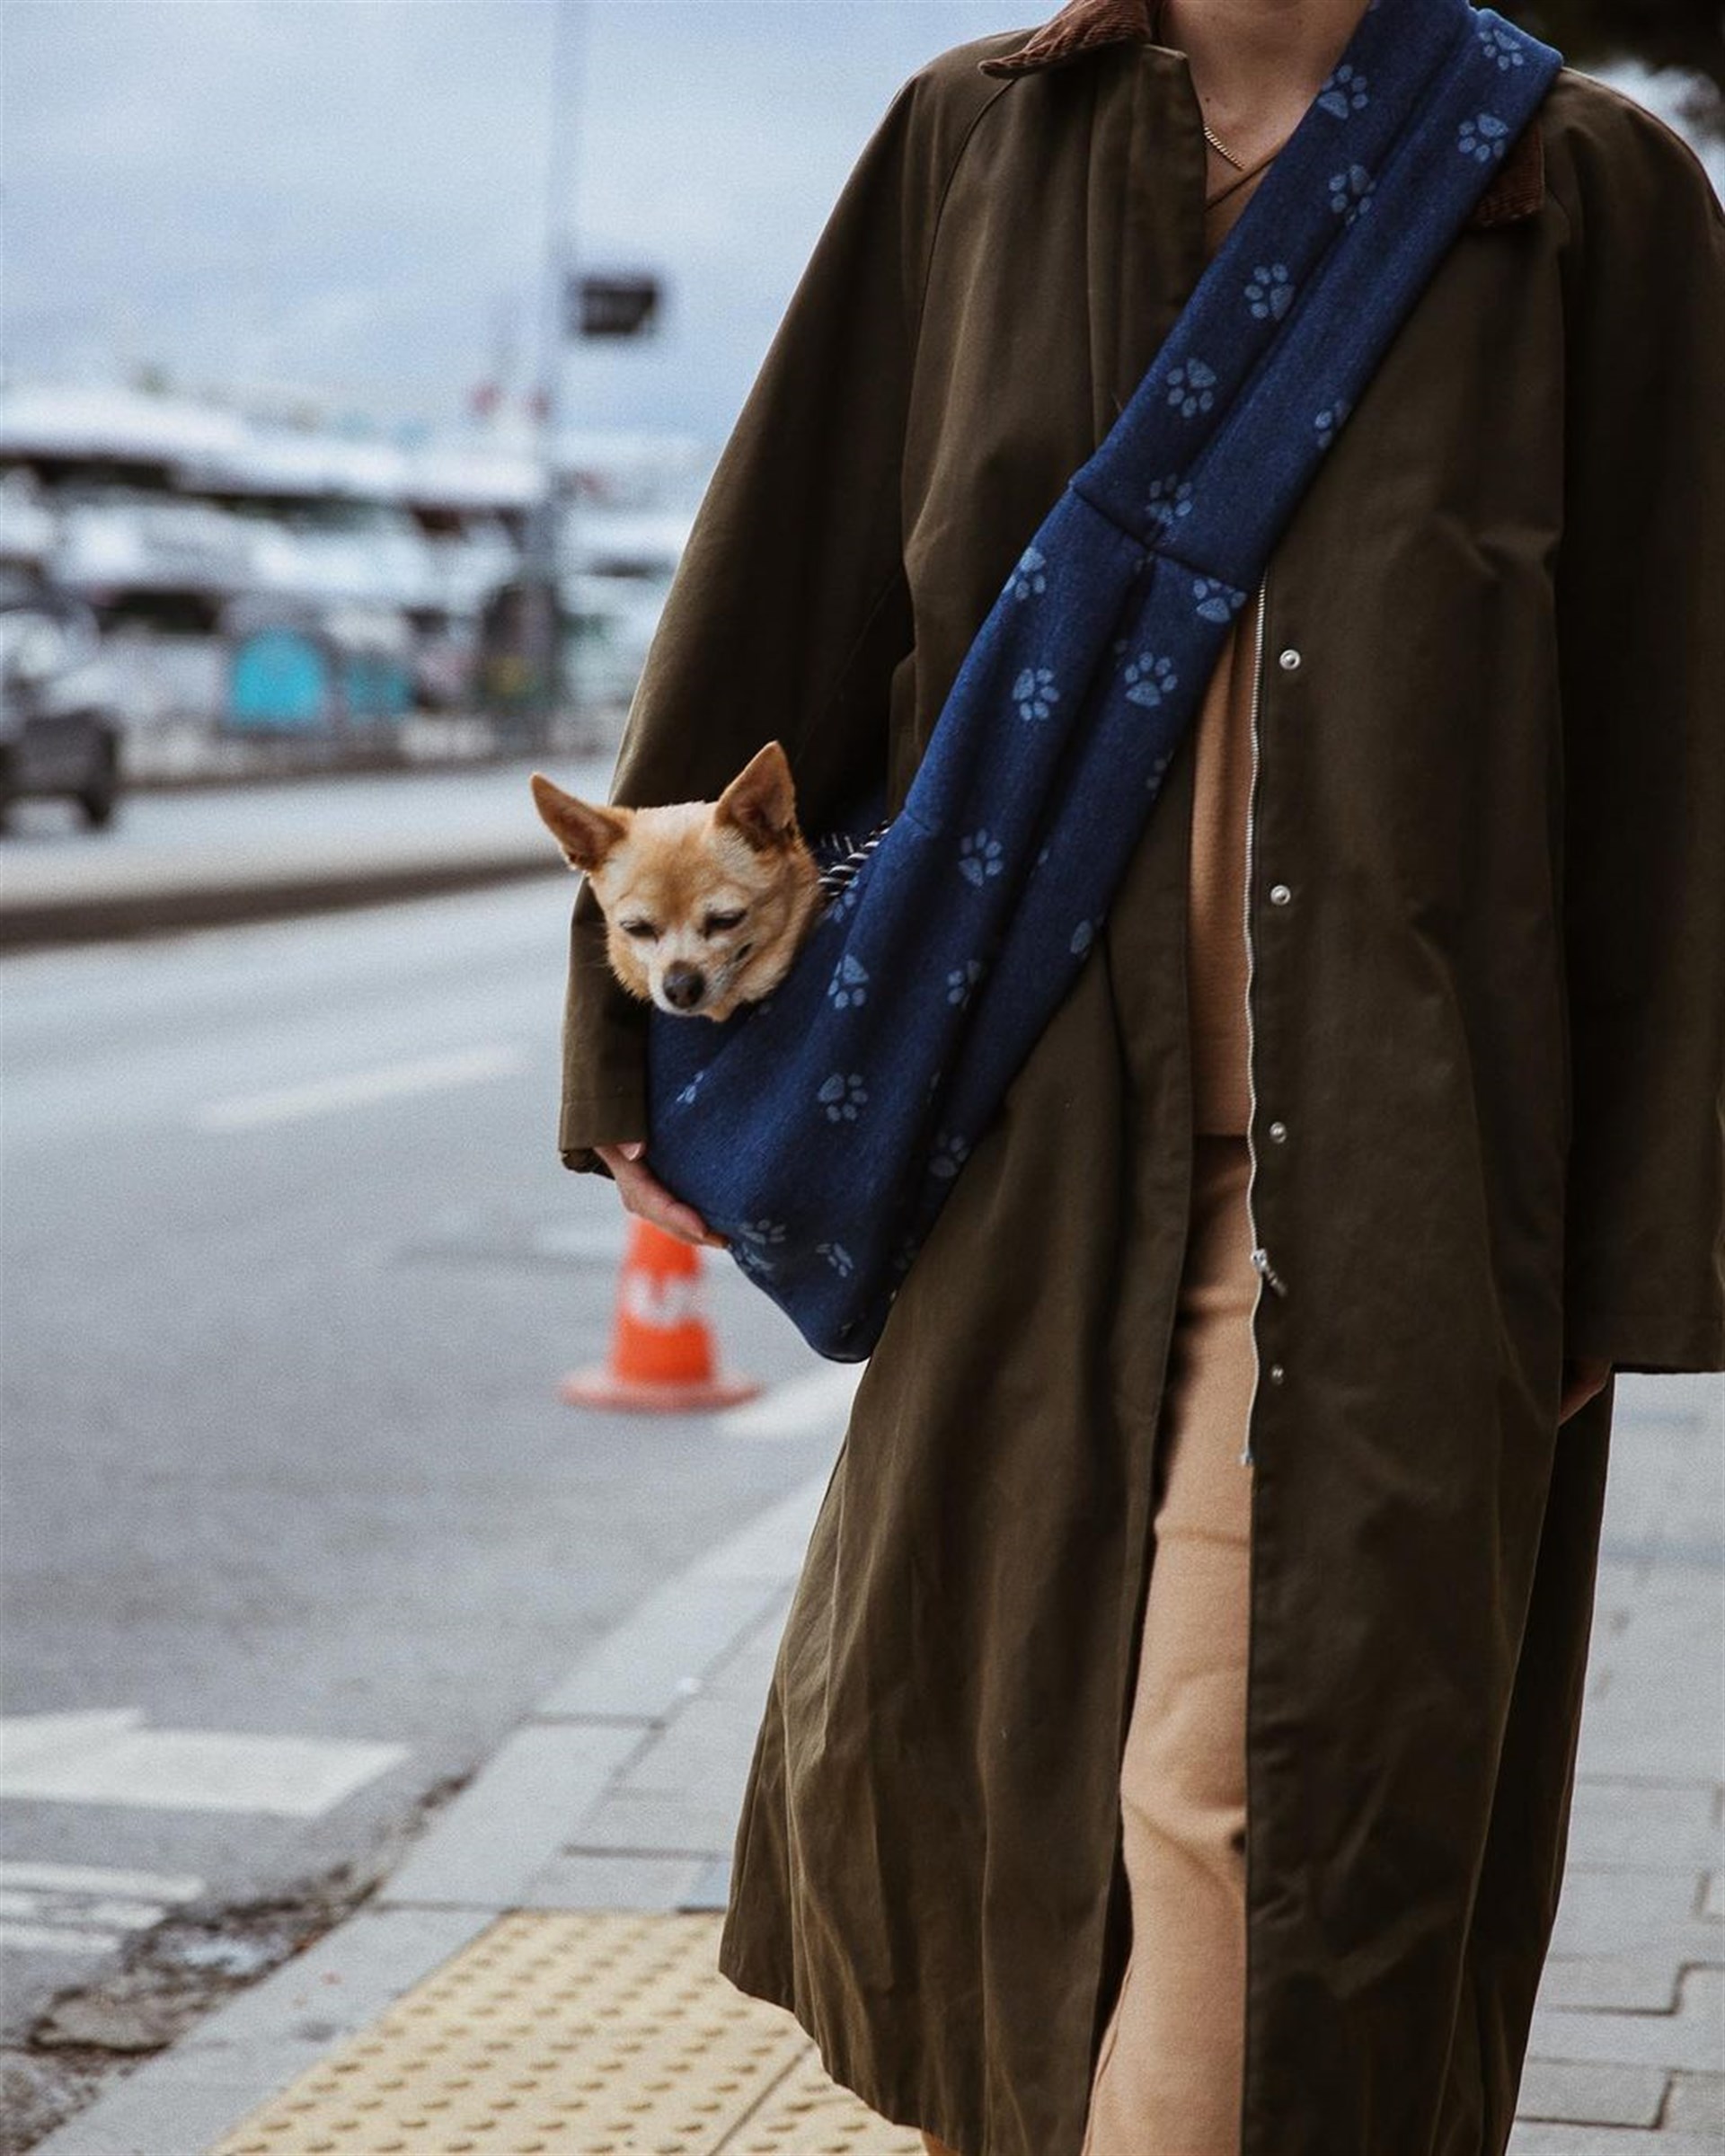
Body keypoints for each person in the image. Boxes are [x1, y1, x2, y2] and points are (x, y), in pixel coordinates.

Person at [556, 2, 1725, 2151]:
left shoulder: (1589, 191)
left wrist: (1628, 1245)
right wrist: (630, 1040)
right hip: (1017, 1163)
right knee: (1000, 1828)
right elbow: (788, 586)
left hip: (1390, 1200)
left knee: (1254, 1834)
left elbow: (1675, 744)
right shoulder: (969, 152)